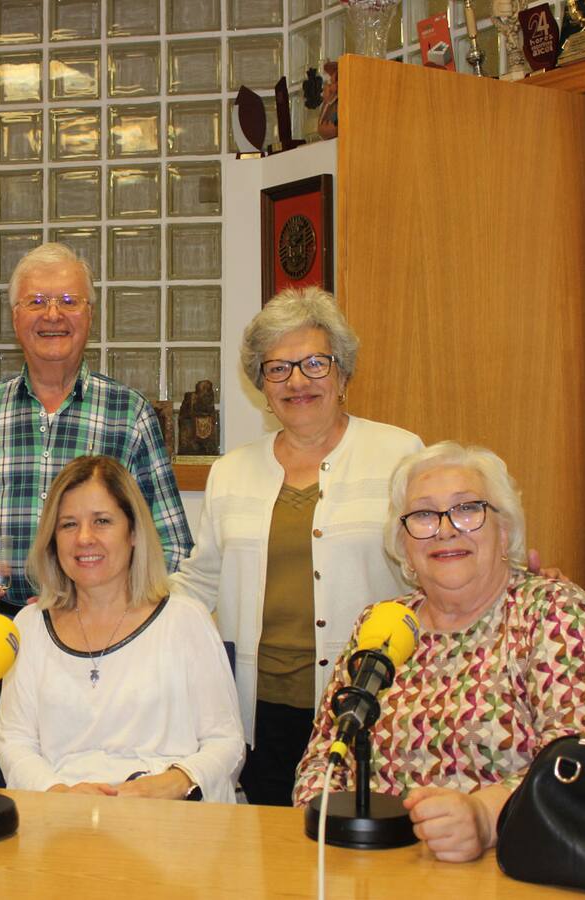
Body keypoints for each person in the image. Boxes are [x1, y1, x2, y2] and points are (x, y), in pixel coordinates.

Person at [0, 242, 192, 786]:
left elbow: (170, 539)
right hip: (1, 633)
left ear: (91, 316)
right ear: (15, 317)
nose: (53, 314)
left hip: (104, 637)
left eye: (69, 300)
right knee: (8, 785)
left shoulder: (129, 413)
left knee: (99, 780)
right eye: (37, 302)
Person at [293, 441, 585, 861]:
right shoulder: (382, 624)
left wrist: (486, 818)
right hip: (370, 869)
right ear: (404, 546)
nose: (445, 529)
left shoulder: (554, 612)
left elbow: (577, 767)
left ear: (504, 533)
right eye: (424, 515)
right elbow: (324, 755)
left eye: (467, 509)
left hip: (509, 867)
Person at [169, 286, 423, 806]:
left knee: (361, 852)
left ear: (343, 373)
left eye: (314, 363)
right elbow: (199, 581)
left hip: (374, 697)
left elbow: (432, 568)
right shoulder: (232, 470)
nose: (297, 381)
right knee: (268, 859)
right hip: (259, 709)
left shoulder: (399, 455)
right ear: (262, 384)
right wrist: (103, 603)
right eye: (278, 368)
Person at [0, 456, 243, 800]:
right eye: (68, 525)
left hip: (166, 822)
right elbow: (14, 742)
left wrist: (177, 780)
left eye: (102, 521)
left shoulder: (185, 620)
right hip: (63, 823)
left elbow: (226, 743)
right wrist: (57, 791)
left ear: (135, 533)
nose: (84, 538)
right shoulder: (30, 626)